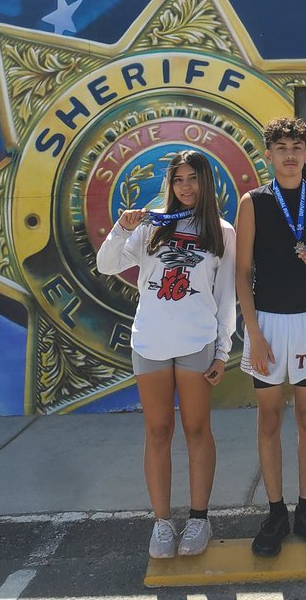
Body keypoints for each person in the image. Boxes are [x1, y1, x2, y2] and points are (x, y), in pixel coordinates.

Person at [95, 150, 236, 559]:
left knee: (196, 430)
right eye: (178, 180)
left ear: (205, 182)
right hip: (151, 343)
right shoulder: (150, 226)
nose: (186, 187)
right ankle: (160, 523)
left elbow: (226, 298)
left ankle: (199, 518)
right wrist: (121, 228)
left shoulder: (222, 231)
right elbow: (106, 265)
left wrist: (222, 351)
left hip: (197, 343)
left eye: (192, 179)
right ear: (169, 185)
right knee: (158, 431)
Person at [235, 116, 306, 557]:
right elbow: (241, 273)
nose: (290, 155)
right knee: (270, 420)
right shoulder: (253, 201)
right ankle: (276, 511)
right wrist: (253, 333)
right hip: (269, 324)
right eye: (281, 148)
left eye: (297, 147)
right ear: (269, 155)